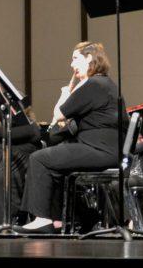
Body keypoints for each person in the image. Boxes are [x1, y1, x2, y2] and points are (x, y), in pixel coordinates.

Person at [18, 41, 120, 233]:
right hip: (106, 148)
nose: (71, 65)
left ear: (89, 58)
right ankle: (63, 219)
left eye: (75, 59)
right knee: (55, 166)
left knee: (39, 159)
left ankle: (42, 219)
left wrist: (67, 89)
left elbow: (58, 115)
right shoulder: (103, 83)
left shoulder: (93, 84)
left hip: (100, 149)